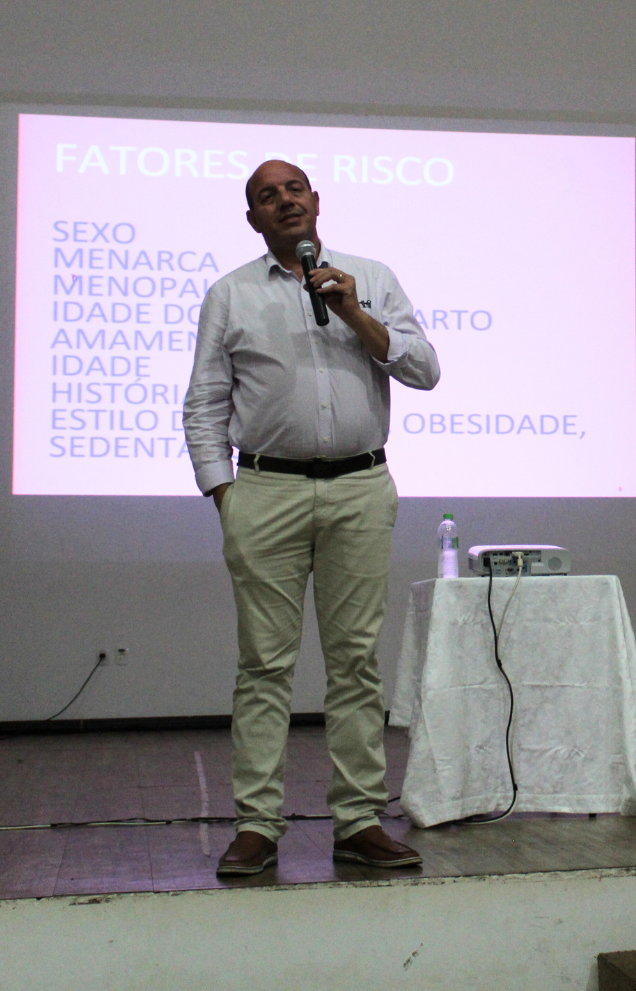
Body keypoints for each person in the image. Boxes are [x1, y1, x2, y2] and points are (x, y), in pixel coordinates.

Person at [184, 160, 441, 876]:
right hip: (265, 492)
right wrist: (225, 495)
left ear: (316, 202)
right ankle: (257, 825)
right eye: (267, 196)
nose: (284, 201)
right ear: (254, 219)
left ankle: (359, 819)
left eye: (294, 189)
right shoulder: (230, 294)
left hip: (360, 487)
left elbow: (424, 370)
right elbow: (204, 402)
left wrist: (355, 312)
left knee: (356, 661)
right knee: (264, 665)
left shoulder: (371, 278)